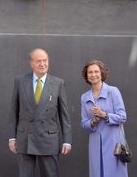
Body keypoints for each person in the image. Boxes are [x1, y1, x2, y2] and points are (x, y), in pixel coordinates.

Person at [8, 48, 72, 177]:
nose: (42, 64)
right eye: (38, 61)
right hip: (25, 138)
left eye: (45, 60)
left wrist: (67, 140)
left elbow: (64, 114)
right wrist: (12, 137)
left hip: (49, 139)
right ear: (31, 63)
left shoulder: (58, 83)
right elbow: (13, 110)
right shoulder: (20, 81)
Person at [81, 60, 129, 177]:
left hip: (114, 143)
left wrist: (104, 115)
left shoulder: (113, 91)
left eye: (96, 71)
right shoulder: (84, 97)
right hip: (95, 144)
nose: (93, 75)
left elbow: (122, 117)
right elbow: (84, 123)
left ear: (102, 73)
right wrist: (93, 121)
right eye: (90, 72)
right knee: (97, 173)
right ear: (86, 76)